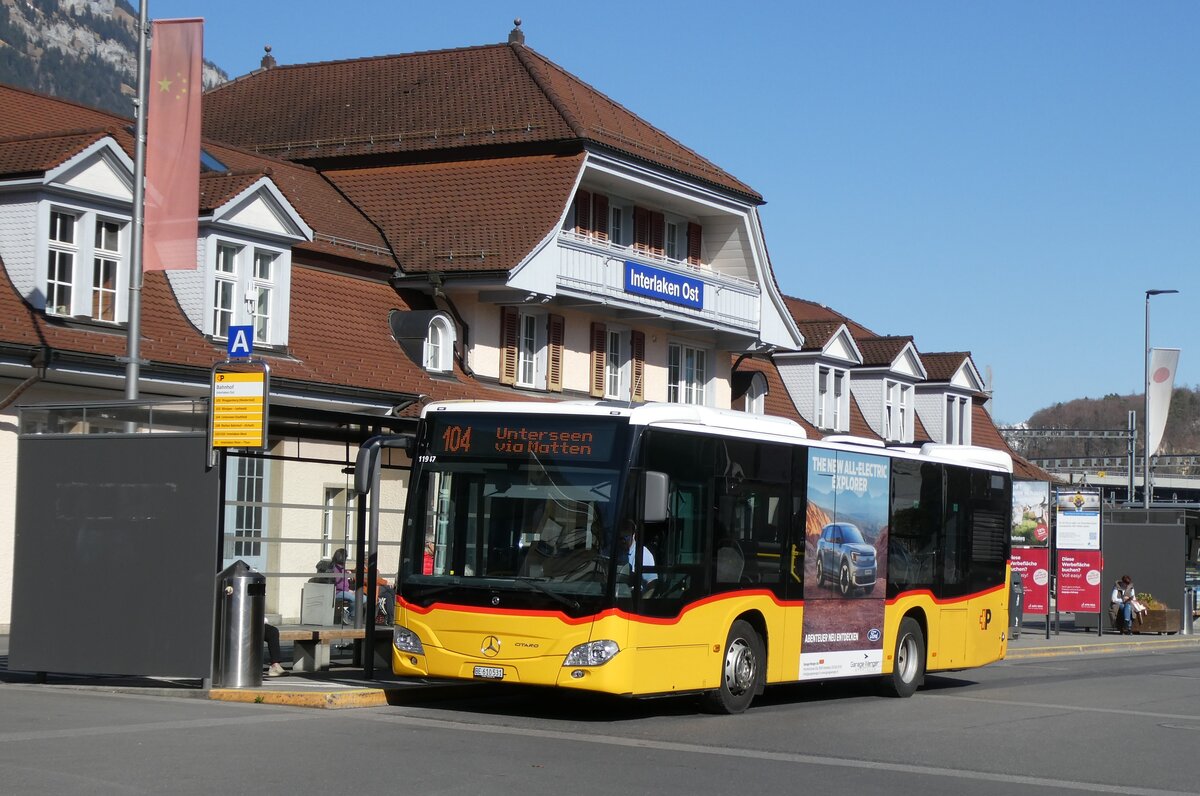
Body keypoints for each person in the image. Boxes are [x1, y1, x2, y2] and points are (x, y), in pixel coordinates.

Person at [332, 548, 357, 623]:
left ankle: (347, 613)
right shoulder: (336, 569)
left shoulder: (342, 569)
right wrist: (348, 590)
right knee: (355, 598)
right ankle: (349, 615)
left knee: (364, 598)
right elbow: (338, 584)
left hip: (345, 591)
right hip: (338, 592)